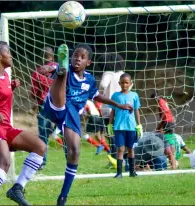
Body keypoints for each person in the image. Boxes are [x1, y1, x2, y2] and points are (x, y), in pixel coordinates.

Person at [43, 43, 133, 205]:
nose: (78, 58)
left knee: (75, 151)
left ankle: (63, 196)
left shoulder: (90, 79)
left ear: (88, 63)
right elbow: (49, 70)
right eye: (75, 55)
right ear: (71, 58)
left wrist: (118, 105)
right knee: (62, 73)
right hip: (56, 105)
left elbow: (96, 96)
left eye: (82, 57)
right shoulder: (69, 69)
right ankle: (60, 69)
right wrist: (51, 69)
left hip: (72, 114)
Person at [0, 41, 46, 206]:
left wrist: (12, 87)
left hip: (5, 126)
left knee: (40, 147)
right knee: (4, 162)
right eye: (8, 52)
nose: (11, 55)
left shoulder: (6, 76)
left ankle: (17, 189)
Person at [97, 53, 133, 163]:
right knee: (122, 133)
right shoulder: (123, 74)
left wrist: (101, 93)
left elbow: (103, 84)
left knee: (111, 133)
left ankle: (114, 158)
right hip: (124, 108)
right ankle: (125, 157)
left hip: (109, 108)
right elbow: (131, 86)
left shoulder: (108, 74)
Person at [30, 46, 62, 170]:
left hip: (45, 105)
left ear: (41, 57)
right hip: (60, 103)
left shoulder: (37, 72)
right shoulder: (61, 68)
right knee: (65, 131)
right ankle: (71, 159)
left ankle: (42, 162)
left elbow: (33, 93)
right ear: (52, 56)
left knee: (43, 134)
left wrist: (36, 101)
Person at [107, 73, 142, 178]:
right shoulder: (115, 96)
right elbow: (112, 111)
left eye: (126, 83)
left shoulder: (134, 95)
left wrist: (139, 124)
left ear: (130, 83)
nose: (124, 85)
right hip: (118, 127)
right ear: (119, 83)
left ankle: (132, 172)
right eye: (122, 83)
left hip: (131, 127)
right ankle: (119, 173)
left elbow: (136, 110)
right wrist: (110, 124)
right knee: (120, 149)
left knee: (130, 148)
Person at [150, 92, 177, 169]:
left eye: (155, 98)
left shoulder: (161, 101)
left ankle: (173, 162)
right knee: (165, 137)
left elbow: (164, 112)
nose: (155, 100)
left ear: (157, 96)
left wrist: (160, 122)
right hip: (168, 121)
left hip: (167, 122)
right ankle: (172, 160)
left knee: (168, 139)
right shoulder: (163, 101)